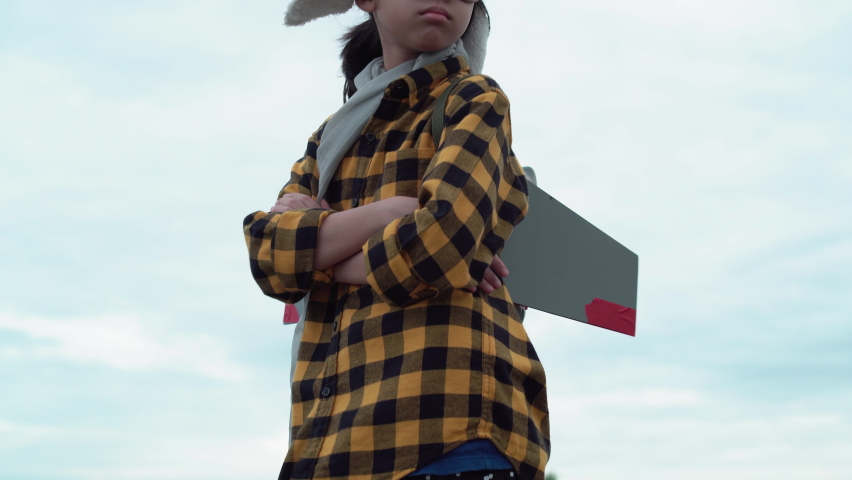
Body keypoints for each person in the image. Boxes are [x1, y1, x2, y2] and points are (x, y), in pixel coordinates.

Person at [243, 1, 550, 479]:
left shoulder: (473, 98)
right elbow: (268, 254)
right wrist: (392, 213)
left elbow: (439, 245)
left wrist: (324, 255)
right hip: (330, 444)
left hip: (445, 431)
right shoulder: (328, 138)